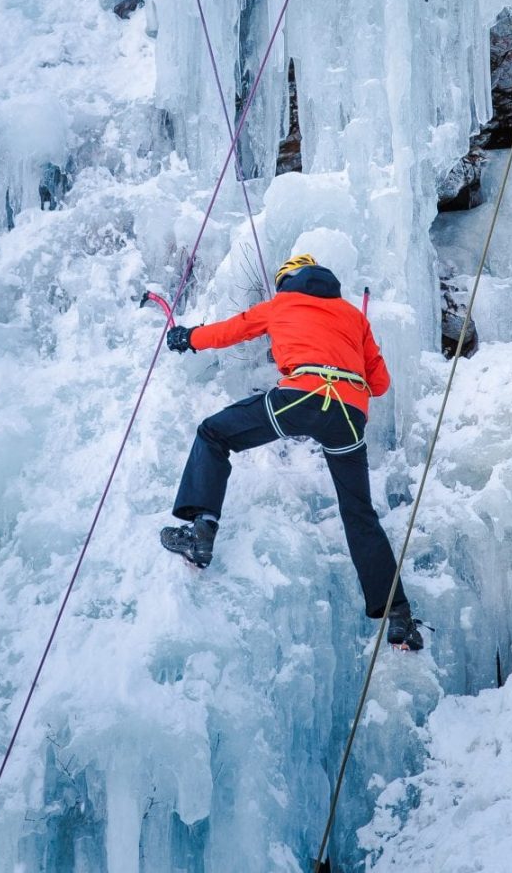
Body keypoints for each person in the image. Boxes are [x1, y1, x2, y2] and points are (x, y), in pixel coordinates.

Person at [160, 254, 423, 651]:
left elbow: (233, 330)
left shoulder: (282, 303)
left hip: (302, 395)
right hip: (349, 413)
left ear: (287, 281)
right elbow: (380, 383)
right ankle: (399, 615)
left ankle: (201, 531)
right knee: (359, 514)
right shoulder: (354, 316)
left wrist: (188, 338)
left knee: (213, 434)